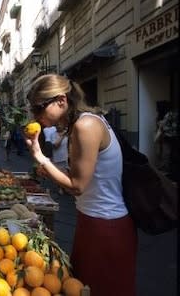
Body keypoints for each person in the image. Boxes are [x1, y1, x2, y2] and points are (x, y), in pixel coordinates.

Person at [24, 74, 137, 295]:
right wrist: (48, 170)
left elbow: (78, 186)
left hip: (106, 226)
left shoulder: (86, 126)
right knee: (81, 287)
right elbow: (83, 176)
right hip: (91, 220)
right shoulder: (80, 124)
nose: (35, 115)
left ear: (61, 101)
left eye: (38, 108)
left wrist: (41, 157)